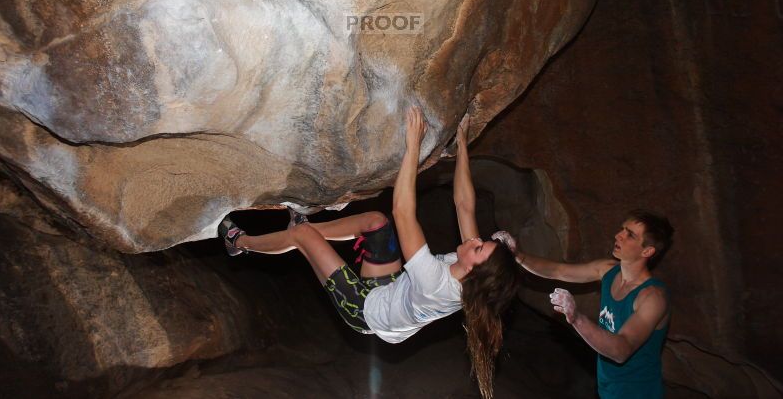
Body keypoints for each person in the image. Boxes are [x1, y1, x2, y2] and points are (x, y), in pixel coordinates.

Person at [217, 107, 519, 399]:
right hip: (392, 292)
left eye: (479, 247)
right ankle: (308, 230)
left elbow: (403, 211)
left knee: (301, 236)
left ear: (472, 269)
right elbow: (465, 204)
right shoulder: (470, 273)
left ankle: (239, 242)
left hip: (366, 313)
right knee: (376, 223)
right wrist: (463, 141)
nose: (475, 240)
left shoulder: (435, 283)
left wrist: (412, 144)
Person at [513, 210, 673, 398]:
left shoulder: (653, 297)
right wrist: (516, 254)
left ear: (647, 251)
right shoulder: (608, 270)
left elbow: (621, 349)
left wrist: (576, 318)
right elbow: (558, 271)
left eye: (629, 235)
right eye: (622, 229)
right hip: (607, 391)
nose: (618, 235)